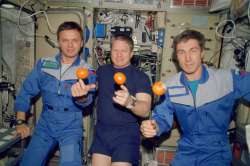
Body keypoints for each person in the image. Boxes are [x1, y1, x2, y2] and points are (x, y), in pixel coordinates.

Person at [140, 29, 250, 166]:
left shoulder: (226, 80)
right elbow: (162, 118)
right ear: (176, 56)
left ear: (202, 52)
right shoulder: (169, 87)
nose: (187, 58)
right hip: (187, 150)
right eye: (181, 52)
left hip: (217, 151)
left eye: (193, 50)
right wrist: (154, 127)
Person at [14, 21, 96, 166]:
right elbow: (26, 91)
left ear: (82, 42)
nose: (70, 45)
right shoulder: (45, 64)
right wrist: (20, 121)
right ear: (58, 42)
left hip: (71, 126)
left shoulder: (87, 70)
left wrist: (82, 97)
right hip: (45, 123)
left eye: (75, 40)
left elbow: (88, 100)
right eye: (65, 40)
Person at [90, 34, 152, 166]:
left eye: (123, 51)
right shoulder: (102, 71)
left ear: (131, 54)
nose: (119, 54)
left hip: (126, 135)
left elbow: (145, 110)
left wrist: (130, 102)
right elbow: (90, 92)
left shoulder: (141, 77)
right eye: (115, 50)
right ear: (110, 51)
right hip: (102, 133)